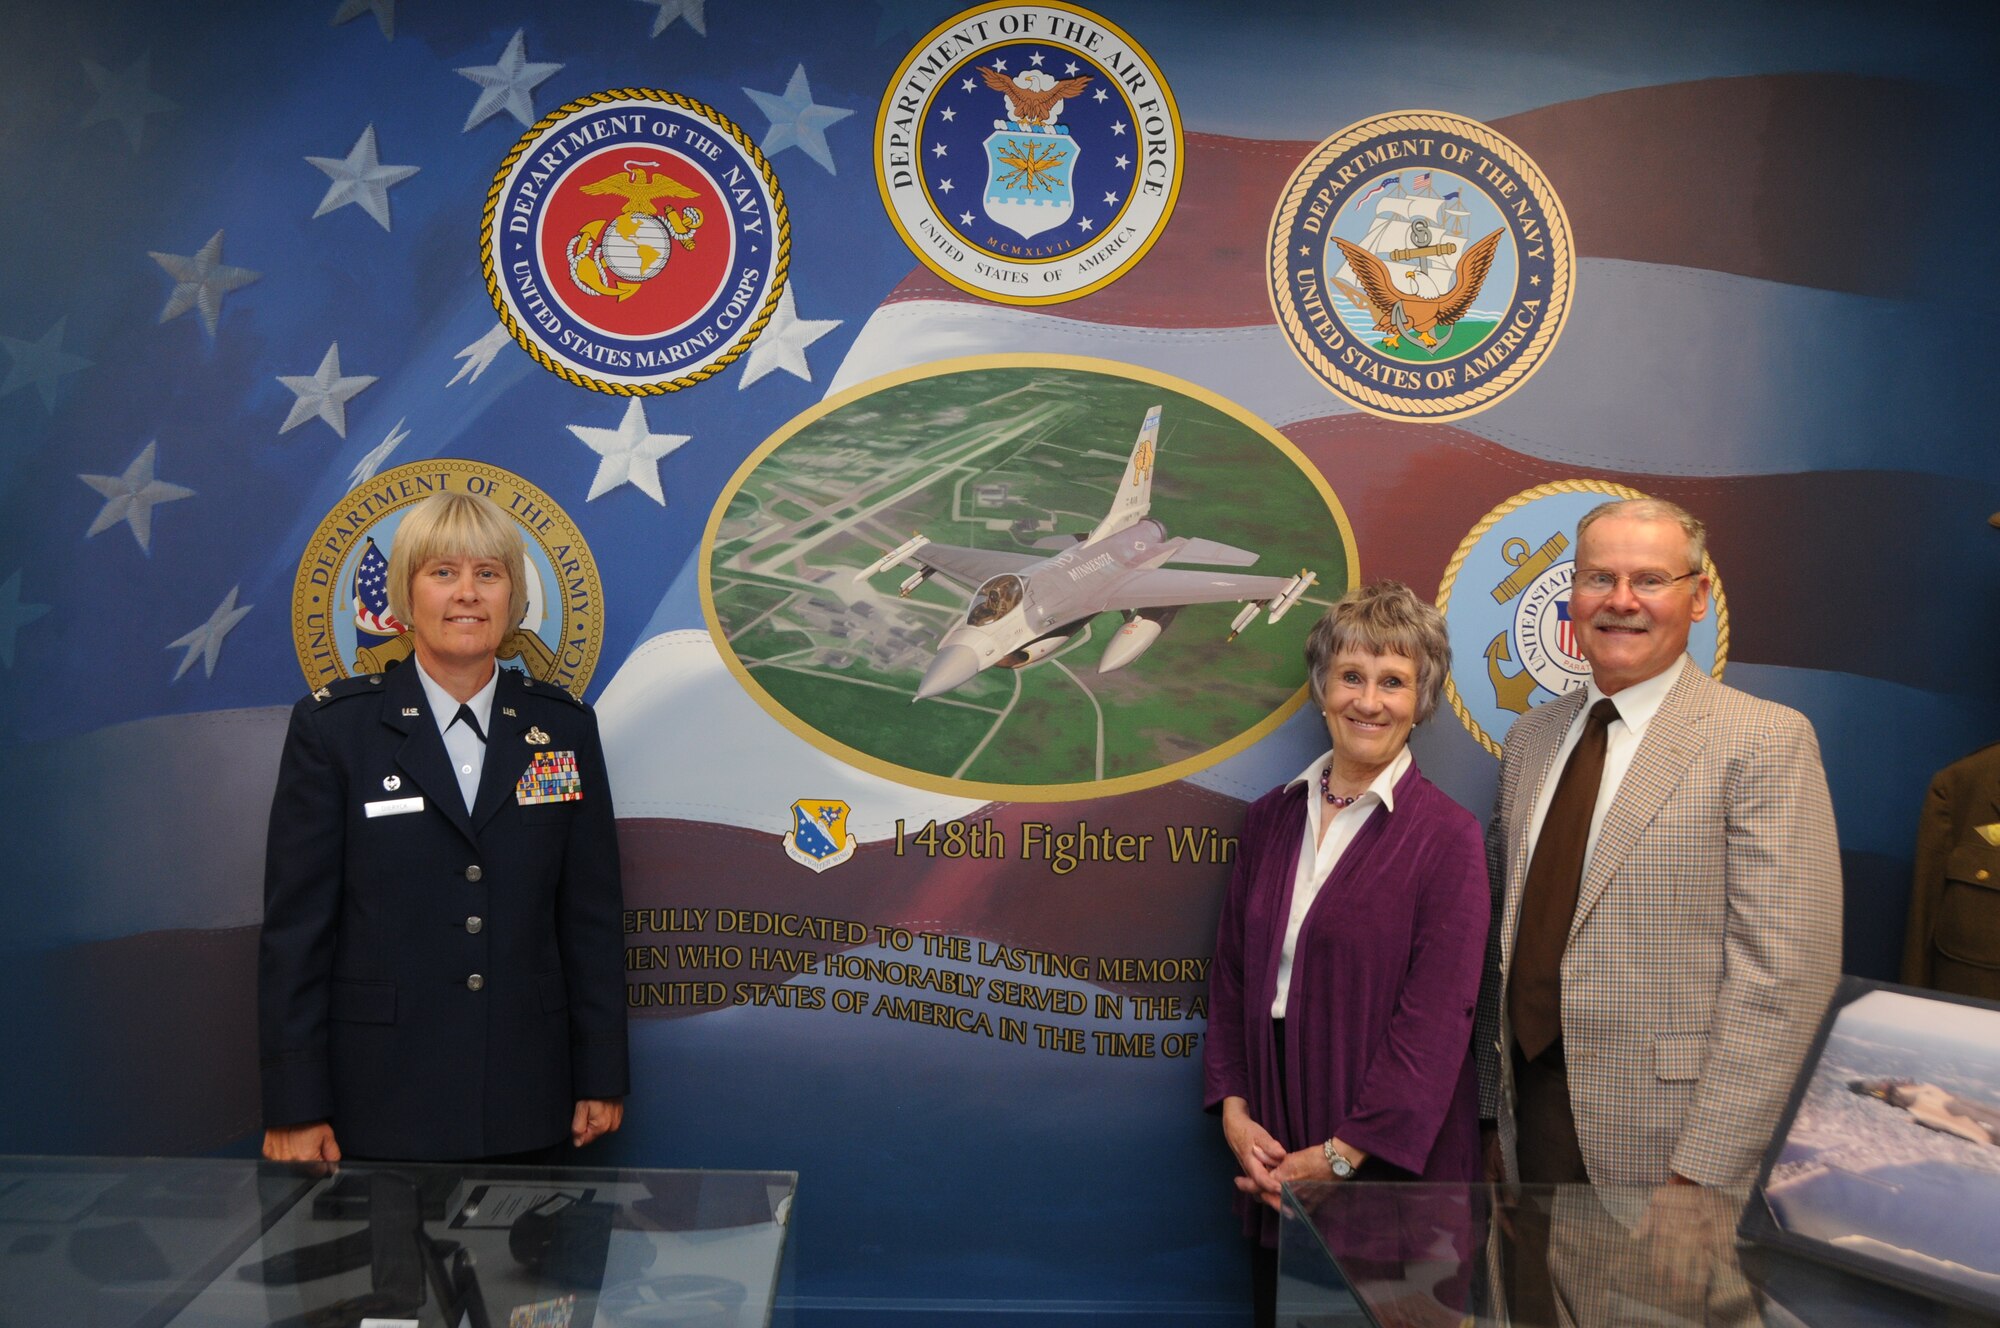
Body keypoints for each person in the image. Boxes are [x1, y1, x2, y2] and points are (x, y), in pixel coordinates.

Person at [1474, 497, 1842, 1192]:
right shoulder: (1531, 740)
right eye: (1597, 579)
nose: (1621, 602)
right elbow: (1503, 941)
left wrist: (1702, 1175)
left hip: (1668, 1143)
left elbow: (1786, 981)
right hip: (1532, 1122)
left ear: (1698, 597)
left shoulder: (1763, 741)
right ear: (1571, 594)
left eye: (1649, 580)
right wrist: (1492, 1111)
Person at [259, 490, 629, 1164]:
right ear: (403, 598)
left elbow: (591, 920)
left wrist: (600, 1074)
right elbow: (298, 936)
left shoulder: (565, 729)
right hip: (377, 1100)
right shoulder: (335, 732)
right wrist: (295, 1103)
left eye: (489, 574)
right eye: (443, 573)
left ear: (515, 599)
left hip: (530, 1096)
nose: (468, 594)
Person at [1204, 581, 1489, 1325]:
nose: (1369, 700)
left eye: (1393, 681)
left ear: (1421, 700)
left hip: (1390, 1159)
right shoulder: (1268, 820)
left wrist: (1341, 1154)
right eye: (1351, 677)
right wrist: (1235, 1111)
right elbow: (1233, 981)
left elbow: (1437, 1021)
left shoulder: (1446, 837)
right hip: (1275, 1134)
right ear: (1322, 690)